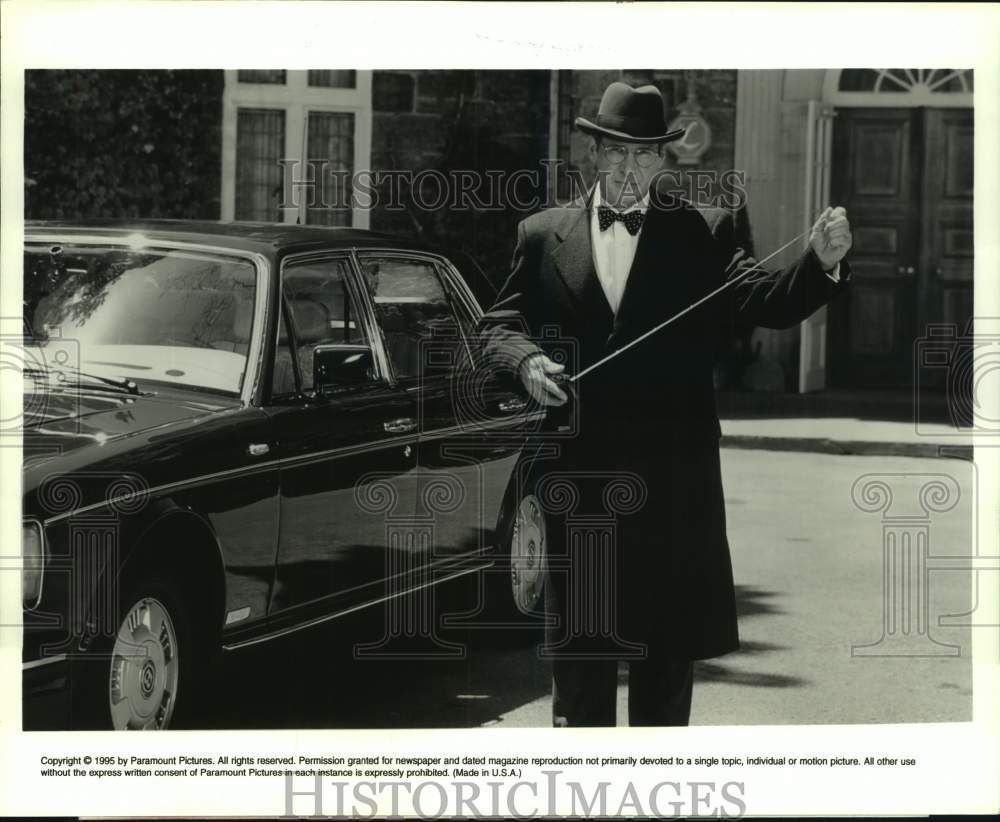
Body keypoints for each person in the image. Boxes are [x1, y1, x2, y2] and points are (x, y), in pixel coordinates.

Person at [478, 81, 853, 727]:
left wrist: (820, 264)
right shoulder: (541, 236)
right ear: (592, 152)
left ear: (663, 160)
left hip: (672, 491)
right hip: (580, 486)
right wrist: (525, 361)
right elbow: (495, 328)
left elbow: (763, 299)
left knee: (664, 679)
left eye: (646, 155)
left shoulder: (703, 231)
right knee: (581, 686)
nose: (630, 170)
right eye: (618, 154)